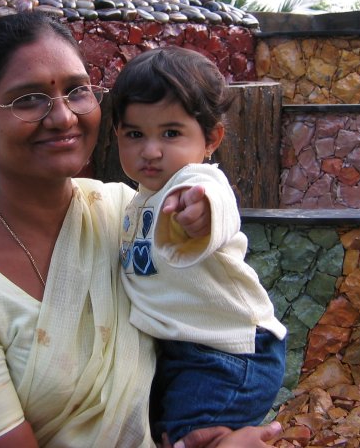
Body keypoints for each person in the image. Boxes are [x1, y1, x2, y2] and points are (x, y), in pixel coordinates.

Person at [0, 12, 284, 448]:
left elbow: (208, 201)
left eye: (77, 91)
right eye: (29, 99)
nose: (63, 117)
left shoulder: (120, 212)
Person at [110, 48, 287, 444]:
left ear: (211, 139)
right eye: (135, 134)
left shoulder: (194, 181)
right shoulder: (139, 201)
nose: (151, 150)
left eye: (171, 133)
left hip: (230, 353)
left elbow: (216, 199)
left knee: (187, 437)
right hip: (183, 351)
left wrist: (202, 212)